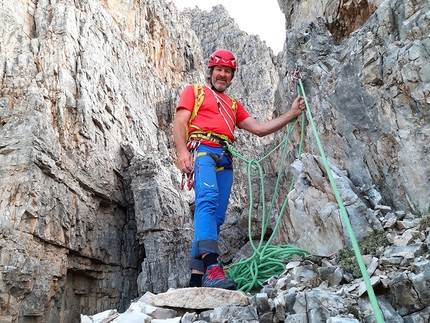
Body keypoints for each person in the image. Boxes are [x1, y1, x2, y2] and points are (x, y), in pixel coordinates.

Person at [173, 49, 305, 290]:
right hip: (202, 149)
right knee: (207, 201)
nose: (222, 75)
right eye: (218, 70)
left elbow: (260, 129)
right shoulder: (194, 92)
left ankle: (195, 279)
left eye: (227, 71)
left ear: (232, 76)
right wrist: (182, 153)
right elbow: (180, 122)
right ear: (210, 72)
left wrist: (291, 113)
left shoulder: (233, 105)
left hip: (225, 158)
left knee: (217, 217)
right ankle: (212, 268)